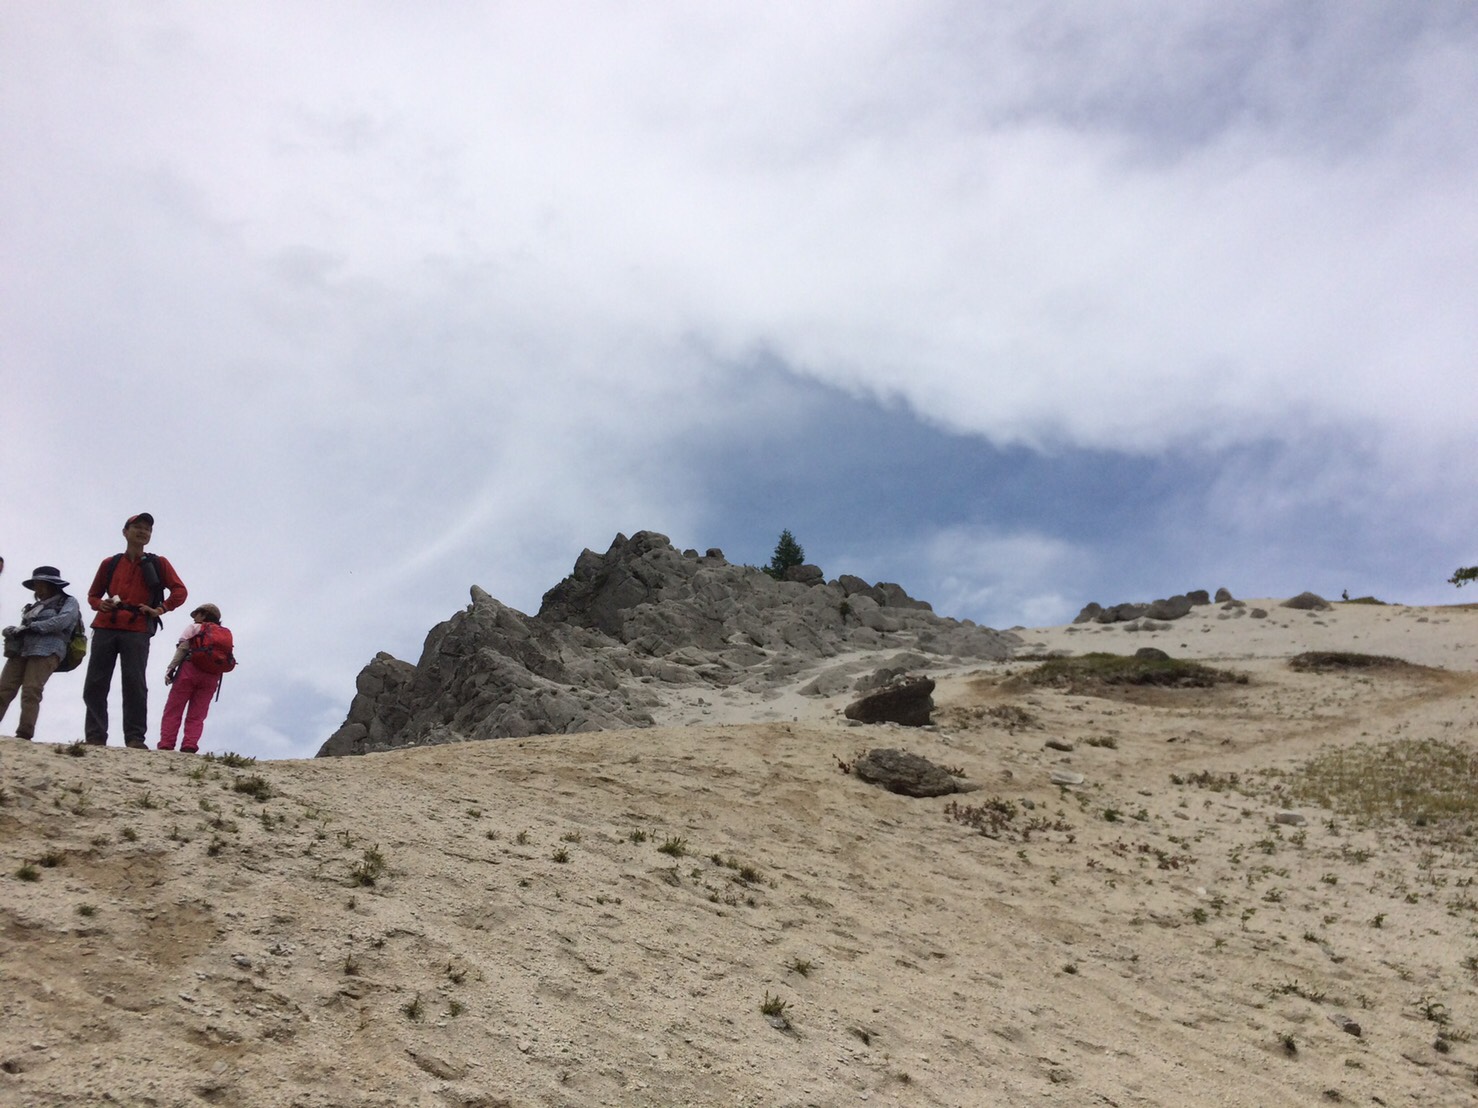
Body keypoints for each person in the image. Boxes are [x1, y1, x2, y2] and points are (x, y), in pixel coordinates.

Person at [82, 514, 188, 748]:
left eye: (148, 529)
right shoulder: (109, 563)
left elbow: (180, 591)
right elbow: (93, 595)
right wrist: (101, 604)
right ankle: (95, 737)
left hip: (137, 628)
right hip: (105, 625)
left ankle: (135, 738)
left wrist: (160, 608)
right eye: (138, 527)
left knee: (134, 683)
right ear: (125, 531)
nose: (143, 532)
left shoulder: (159, 563)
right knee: (95, 683)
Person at [1, 567, 82, 741]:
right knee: (4, 688)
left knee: (32, 690)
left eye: (40, 584)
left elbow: (62, 622)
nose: (37, 588)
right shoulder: (34, 606)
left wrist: (34, 627)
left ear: (51, 585)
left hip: (48, 649)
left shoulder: (68, 602)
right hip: (22, 650)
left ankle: (24, 733)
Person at [158, 604, 228, 754]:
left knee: (174, 709)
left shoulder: (195, 628)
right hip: (211, 677)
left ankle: (166, 744)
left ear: (204, 615)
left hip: (189, 670)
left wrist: (171, 669)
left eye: (197, 614)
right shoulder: (223, 633)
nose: (194, 617)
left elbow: (182, 648)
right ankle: (189, 745)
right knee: (198, 714)